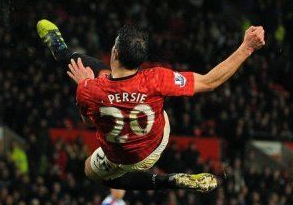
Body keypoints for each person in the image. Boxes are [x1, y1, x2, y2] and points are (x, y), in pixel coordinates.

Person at [36, 20, 265, 192]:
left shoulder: (89, 90)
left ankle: (168, 180)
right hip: (157, 137)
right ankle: (63, 52)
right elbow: (209, 81)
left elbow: (88, 121)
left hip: (122, 157)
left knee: (91, 171)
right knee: (111, 78)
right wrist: (247, 46)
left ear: (114, 51)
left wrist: (84, 84)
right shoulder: (157, 78)